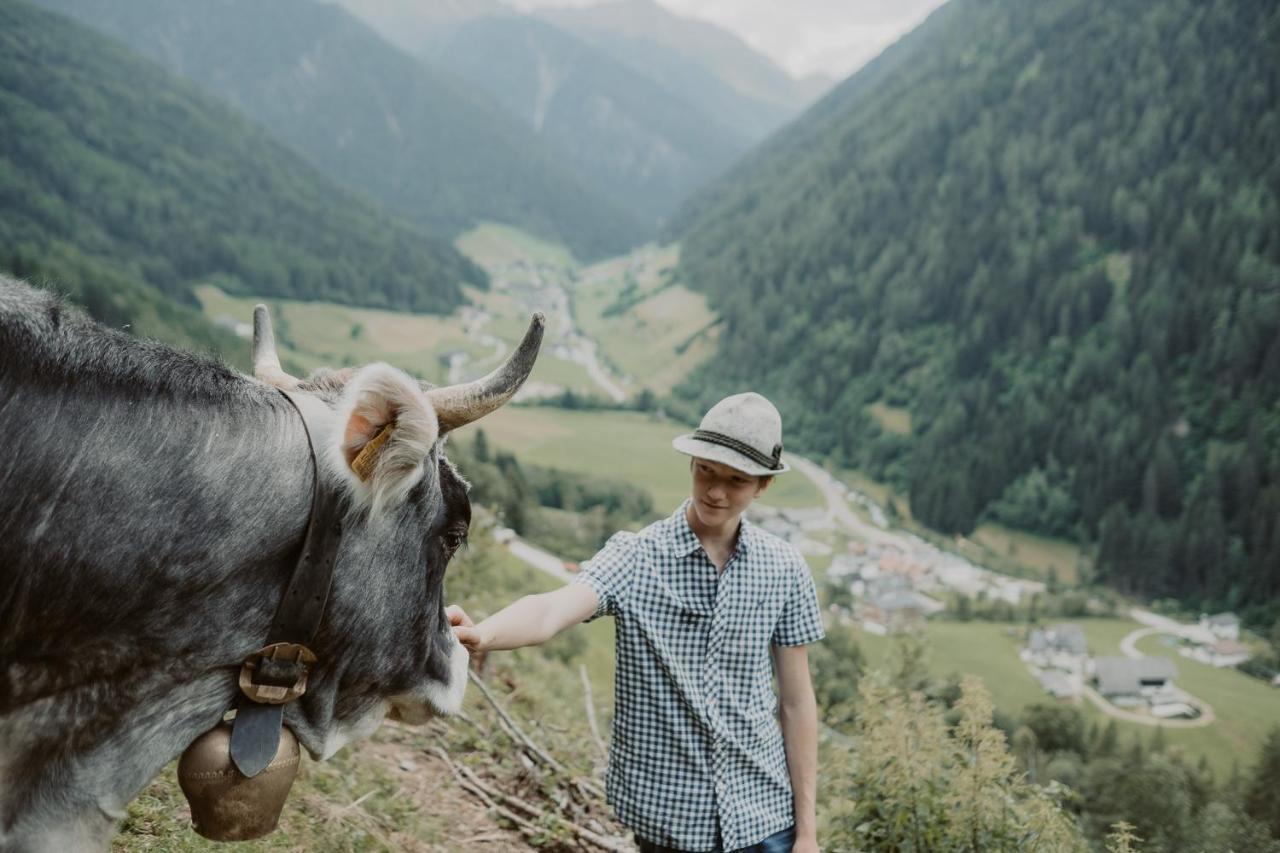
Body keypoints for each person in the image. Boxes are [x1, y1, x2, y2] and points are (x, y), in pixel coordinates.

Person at [447, 392, 824, 853]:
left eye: (736, 480)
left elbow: (797, 704)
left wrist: (807, 833)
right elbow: (551, 610)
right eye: (706, 469)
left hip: (763, 817)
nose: (715, 491)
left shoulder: (785, 568)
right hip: (669, 821)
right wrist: (483, 633)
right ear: (692, 462)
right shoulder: (636, 557)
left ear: (763, 485)